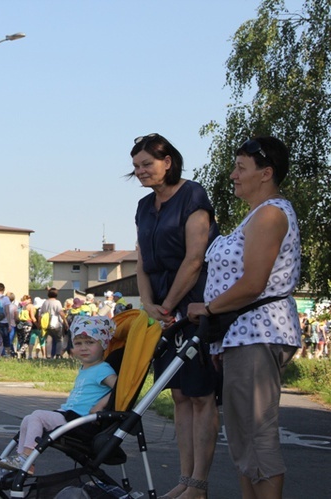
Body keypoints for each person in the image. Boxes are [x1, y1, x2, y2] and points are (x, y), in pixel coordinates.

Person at [187, 136, 301, 499]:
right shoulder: (258, 214)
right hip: (243, 334)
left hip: (257, 331)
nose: (233, 174)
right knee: (242, 437)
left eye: (241, 167)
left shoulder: (270, 214)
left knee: (256, 434)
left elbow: (253, 283)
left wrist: (207, 308)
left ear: (266, 173)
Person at [132, 132, 219, 499]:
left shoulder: (193, 195)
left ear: (168, 161)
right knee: (180, 396)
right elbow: (140, 260)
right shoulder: (142, 206)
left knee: (201, 397)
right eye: (135, 167)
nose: (140, 172)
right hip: (163, 310)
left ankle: (199, 484)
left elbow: (195, 259)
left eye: (147, 165)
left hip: (195, 304)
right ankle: (184, 480)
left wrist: (169, 306)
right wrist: (149, 303)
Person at [0, 315, 117, 483]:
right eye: (78, 343)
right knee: (28, 419)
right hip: (69, 416)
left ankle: (26, 457)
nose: (83, 348)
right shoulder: (86, 367)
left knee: (38, 416)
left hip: (82, 422)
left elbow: (120, 388)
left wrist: (100, 405)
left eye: (90, 342)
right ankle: (24, 460)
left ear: (103, 344)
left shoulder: (103, 369)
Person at [38, 288, 67, 359]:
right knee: (59, 339)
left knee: (48, 339)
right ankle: (58, 354)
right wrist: (65, 321)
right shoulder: (57, 302)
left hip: (47, 323)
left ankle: (48, 355)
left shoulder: (45, 302)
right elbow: (60, 312)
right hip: (56, 323)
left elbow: (40, 314)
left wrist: (39, 324)